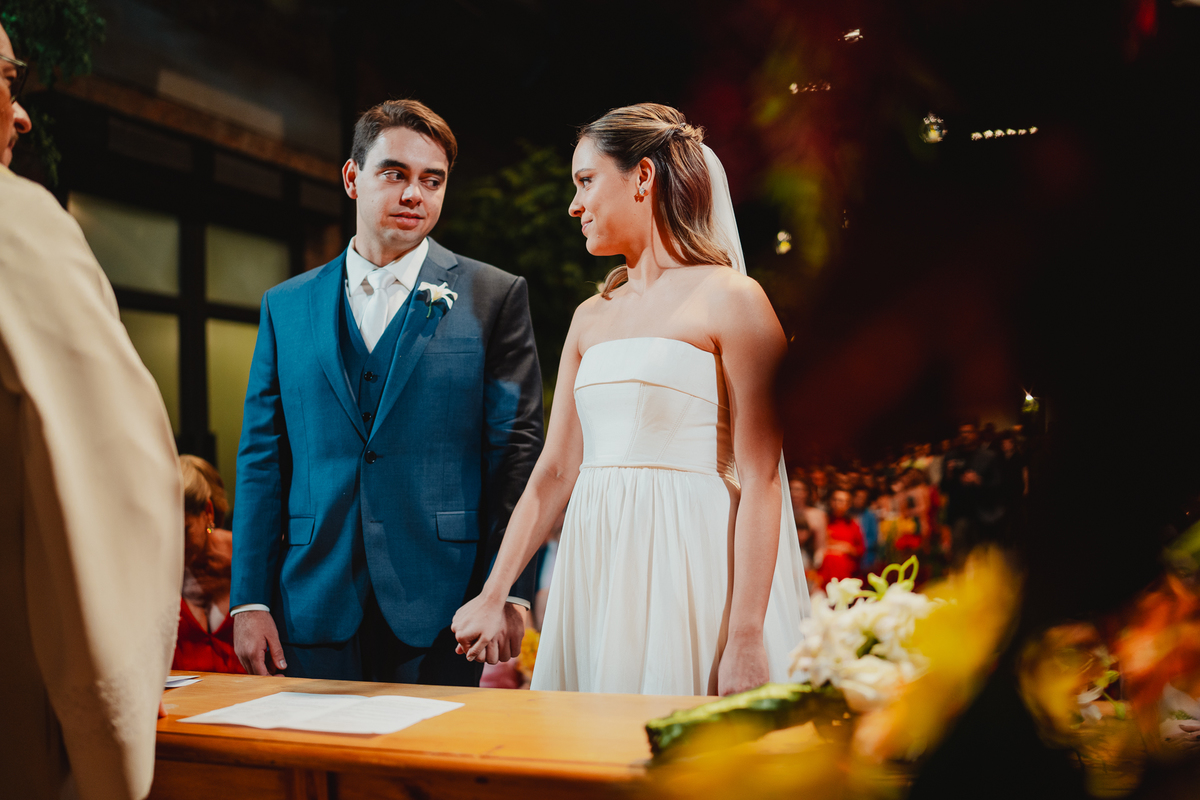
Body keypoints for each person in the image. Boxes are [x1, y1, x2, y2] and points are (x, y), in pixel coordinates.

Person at [451, 103, 810, 696]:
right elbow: (555, 470)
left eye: (586, 181)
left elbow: (762, 480)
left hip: (690, 564)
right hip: (595, 564)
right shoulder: (589, 317)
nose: (575, 205)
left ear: (642, 177)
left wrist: (746, 635)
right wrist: (495, 592)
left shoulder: (735, 300)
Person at [231, 99, 544, 685]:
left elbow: (516, 457)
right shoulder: (286, 306)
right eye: (395, 174)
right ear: (353, 178)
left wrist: (510, 592)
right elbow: (261, 459)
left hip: (445, 604)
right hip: (310, 600)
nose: (414, 195)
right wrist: (249, 599)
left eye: (432, 180)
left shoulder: (493, 296)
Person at [0, 20, 183, 799]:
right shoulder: (16, 221)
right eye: (7, 79)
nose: (21, 114)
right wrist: (115, 724)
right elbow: (113, 481)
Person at [173, 456, 244, 674]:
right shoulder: (157, 573)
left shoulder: (246, 559)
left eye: (183, 531)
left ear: (208, 512)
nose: (174, 545)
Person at [940, 422, 1003, 560]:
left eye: (968, 432)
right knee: (960, 556)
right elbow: (943, 488)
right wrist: (949, 474)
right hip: (959, 514)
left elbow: (998, 485)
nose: (965, 436)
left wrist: (978, 481)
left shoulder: (988, 456)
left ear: (976, 434)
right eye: (962, 433)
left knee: (983, 556)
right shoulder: (951, 456)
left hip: (983, 514)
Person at [819, 490, 866, 587]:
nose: (837, 504)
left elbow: (860, 550)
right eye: (835, 500)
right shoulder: (823, 520)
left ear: (848, 505)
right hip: (825, 567)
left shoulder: (853, 524)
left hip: (847, 569)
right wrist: (839, 546)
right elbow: (819, 544)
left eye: (841, 501)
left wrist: (848, 548)